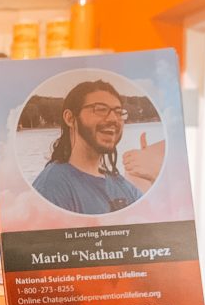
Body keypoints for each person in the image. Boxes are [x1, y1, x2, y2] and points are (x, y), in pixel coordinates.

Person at [32, 79, 143, 214]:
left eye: (118, 112)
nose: (113, 119)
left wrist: (151, 175)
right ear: (70, 118)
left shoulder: (122, 185)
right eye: (101, 109)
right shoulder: (52, 186)